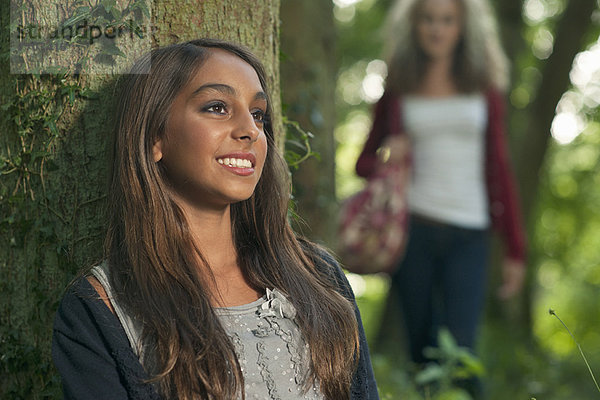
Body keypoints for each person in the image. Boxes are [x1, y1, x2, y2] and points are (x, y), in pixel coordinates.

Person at [52, 38, 379, 400]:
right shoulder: (99, 306)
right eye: (217, 107)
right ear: (155, 136)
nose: (250, 130)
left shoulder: (317, 276)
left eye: (258, 114)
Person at [356, 0, 526, 393]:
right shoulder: (399, 86)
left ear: (463, 27)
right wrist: (387, 157)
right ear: (414, 25)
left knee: (462, 352)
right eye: (428, 20)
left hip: (471, 233)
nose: (437, 29)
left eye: (447, 21)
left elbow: (501, 167)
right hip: (412, 232)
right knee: (421, 351)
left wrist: (516, 248)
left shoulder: (483, 86)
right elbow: (363, 162)